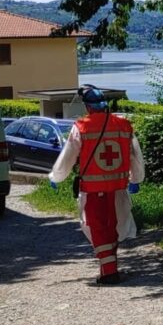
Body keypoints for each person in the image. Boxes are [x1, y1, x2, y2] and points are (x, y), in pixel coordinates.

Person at [48, 86, 144, 284]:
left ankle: (109, 272)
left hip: (93, 189)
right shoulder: (123, 124)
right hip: (118, 187)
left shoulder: (82, 126)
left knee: (98, 228)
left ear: (87, 107)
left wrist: (56, 176)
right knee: (114, 227)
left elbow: (68, 156)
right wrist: (136, 179)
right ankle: (109, 268)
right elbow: (135, 154)